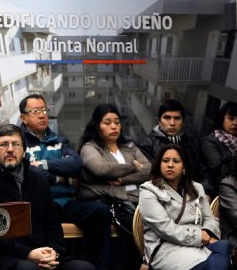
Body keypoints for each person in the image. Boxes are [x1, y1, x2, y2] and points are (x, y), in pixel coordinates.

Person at [0, 124, 95, 270]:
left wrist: (54, 252)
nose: (10, 149)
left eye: (16, 144)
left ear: (24, 151)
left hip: (42, 253)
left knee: (83, 267)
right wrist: (28, 253)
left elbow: (53, 225)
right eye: (3, 144)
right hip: (4, 258)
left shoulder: (39, 180)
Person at [19, 94, 112, 270]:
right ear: (23, 118)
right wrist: (58, 176)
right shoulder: (19, 143)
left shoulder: (60, 141)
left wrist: (43, 165)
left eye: (44, 110)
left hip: (64, 203)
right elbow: (27, 174)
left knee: (100, 212)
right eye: (35, 111)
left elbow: (75, 165)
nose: (42, 115)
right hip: (37, 207)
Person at [77, 103, 151, 270]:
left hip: (138, 199)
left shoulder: (129, 146)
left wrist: (122, 180)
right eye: (107, 122)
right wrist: (132, 166)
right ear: (97, 125)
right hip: (113, 202)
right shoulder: (90, 147)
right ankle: (146, 263)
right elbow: (101, 168)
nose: (113, 126)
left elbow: (148, 170)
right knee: (137, 229)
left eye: (117, 122)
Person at [139, 144, 231, 270]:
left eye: (176, 161)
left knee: (224, 245)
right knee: (215, 263)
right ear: (159, 165)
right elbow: (165, 228)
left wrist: (207, 233)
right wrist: (199, 236)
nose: (170, 165)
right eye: (165, 161)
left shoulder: (197, 188)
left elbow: (210, 218)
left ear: (184, 167)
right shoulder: (148, 190)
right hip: (167, 247)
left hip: (198, 244)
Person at [138, 99, 213, 199]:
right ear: (159, 121)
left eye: (177, 118)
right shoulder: (147, 145)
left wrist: (205, 192)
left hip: (194, 195)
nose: (172, 123)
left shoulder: (192, 142)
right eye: (167, 118)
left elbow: (203, 171)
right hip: (165, 198)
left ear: (183, 122)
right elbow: (152, 176)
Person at [202, 101, 237, 198]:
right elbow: (221, 172)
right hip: (218, 193)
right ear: (222, 119)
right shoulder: (210, 141)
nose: (235, 123)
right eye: (231, 118)